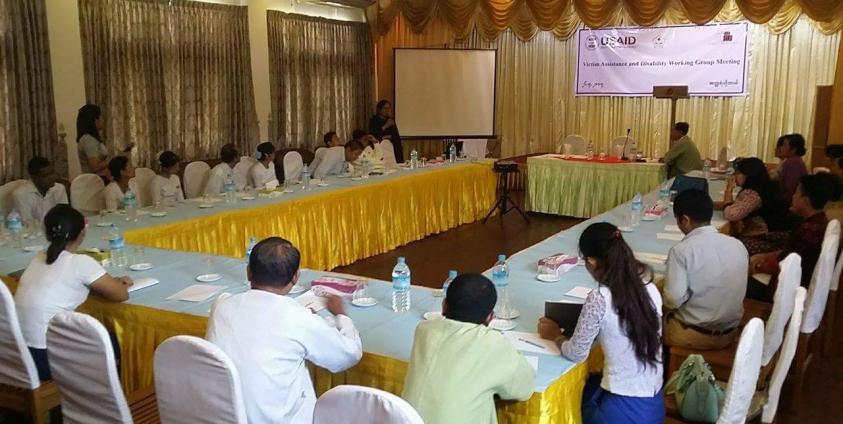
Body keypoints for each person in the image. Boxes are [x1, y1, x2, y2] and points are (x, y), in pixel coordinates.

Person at [206, 237, 362, 423]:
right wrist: (341, 316)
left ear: (248, 272)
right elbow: (349, 354)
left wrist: (305, 320)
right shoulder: (298, 319)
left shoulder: (222, 305)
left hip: (219, 416)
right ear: (295, 277)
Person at [538, 222, 664, 424]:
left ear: (592, 261)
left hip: (621, 410)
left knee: (577, 396)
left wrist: (556, 335)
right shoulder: (649, 287)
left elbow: (577, 353)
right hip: (654, 403)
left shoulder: (600, 298)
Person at [14, 204, 132, 380]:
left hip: (17, 353)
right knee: (121, 342)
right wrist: (117, 284)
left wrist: (105, 283)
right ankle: (107, 392)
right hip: (44, 358)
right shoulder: (81, 262)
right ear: (82, 233)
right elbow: (121, 295)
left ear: (46, 233)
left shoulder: (38, 257)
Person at [402, 273, 535, 424]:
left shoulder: (424, 329)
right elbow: (524, 388)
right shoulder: (491, 342)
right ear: (490, 317)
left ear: (444, 305)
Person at [663, 190, 748, 350]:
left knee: (644, 321)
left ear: (685, 220)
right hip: (729, 333)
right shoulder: (738, 245)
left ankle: (663, 364)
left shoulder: (681, 251)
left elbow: (672, 300)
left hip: (692, 334)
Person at [748, 174, 835, 301]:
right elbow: (788, 253)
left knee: (736, 281)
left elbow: (788, 264)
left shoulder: (808, 231)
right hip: (790, 278)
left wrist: (758, 267)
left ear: (806, 200)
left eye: (796, 193)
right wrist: (764, 256)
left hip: (788, 288)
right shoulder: (819, 220)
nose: (793, 196)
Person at [716, 157, 793, 254]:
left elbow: (731, 214)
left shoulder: (752, 193)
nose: (735, 175)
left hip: (766, 238)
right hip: (779, 235)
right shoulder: (767, 186)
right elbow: (738, 206)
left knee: (726, 246)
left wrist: (729, 190)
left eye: (738, 173)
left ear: (748, 175)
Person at [76, 104, 132, 177]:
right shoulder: (88, 139)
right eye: (100, 117)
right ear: (95, 120)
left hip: (100, 178)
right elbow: (95, 167)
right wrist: (113, 159)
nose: (102, 120)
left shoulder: (91, 138)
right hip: (94, 180)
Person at [13, 157, 68, 223]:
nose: (53, 177)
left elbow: (65, 216)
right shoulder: (21, 195)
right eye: (46, 175)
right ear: (34, 178)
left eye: (52, 172)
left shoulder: (59, 188)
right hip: (33, 229)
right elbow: (27, 223)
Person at [773, 133, 808, 203]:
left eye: (785, 145)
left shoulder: (792, 162)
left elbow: (791, 188)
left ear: (793, 149)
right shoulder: (794, 160)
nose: (781, 147)